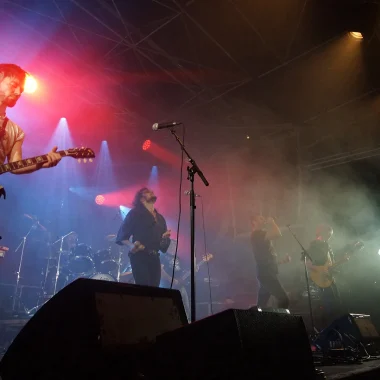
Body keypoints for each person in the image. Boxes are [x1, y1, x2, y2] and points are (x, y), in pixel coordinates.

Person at [0, 63, 61, 171]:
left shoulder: (17, 132)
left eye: (21, 90)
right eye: (13, 85)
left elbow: (15, 166)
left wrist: (41, 164)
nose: (18, 92)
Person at [115, 188, 171, 286]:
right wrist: (131, 246)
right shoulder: (134, 213)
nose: (152, 192)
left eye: (152, 191)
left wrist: (165, 238)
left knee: (155, 290)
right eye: (148, 192)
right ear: (141, 199)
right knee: (143, 289)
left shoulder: (160, 218)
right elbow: (122, 236)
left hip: (154, 257)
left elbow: (163, 247)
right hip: (140, 257)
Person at [307, 224, 344, 327]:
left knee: (337, 303)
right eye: (328, 235)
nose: (329, 237)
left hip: (330, 279)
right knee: (329, 306)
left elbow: (330, 265)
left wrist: (340, 263)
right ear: (322, 233)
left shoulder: (327, 246)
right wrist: (321, 270)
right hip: (321, 279)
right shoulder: (314, 245)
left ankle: (336, 329)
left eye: (330, 235)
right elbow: (308, 264)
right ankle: (328, 330)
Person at [250, 215, 290, 309]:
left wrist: (282, 261)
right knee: (284, 300)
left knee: (261, 305)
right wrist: (272, 222)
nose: (263, 219)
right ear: (253, 222)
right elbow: (278, 234)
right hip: (266, 273)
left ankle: (254, 319)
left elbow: (265, 258)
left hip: (267, 272)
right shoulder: (257, 234)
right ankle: (281, 322)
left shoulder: (260, 235)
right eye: (260, 218)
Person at [160, 253, 190, 321]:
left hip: (180, 286)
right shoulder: (163, 256)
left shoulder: (178, 257)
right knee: (170, 310)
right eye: (172, 243)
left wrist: (193, 269)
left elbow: (183, 271)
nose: (174, 245)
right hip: (168, 287)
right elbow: (160, 271)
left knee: (186, 309)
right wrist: (170, 279)